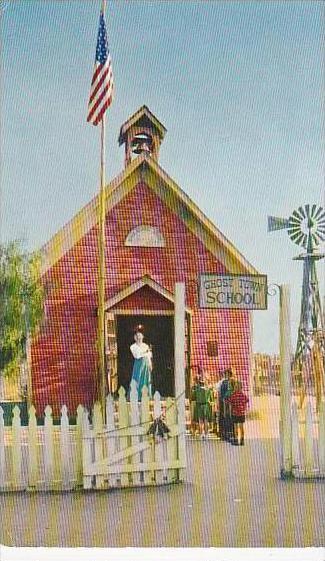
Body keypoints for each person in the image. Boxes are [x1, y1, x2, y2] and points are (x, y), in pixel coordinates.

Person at [130, 325, 152, 400]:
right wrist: (145, 352)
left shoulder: (145, 346)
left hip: (145, 365)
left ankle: (146, 396)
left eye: (140, 335)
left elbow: (149, 355)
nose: (139, 337)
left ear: (143, 336)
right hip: (138, 365)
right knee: (137, 379)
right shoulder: (133, 346)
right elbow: (137, 356)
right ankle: (136, 396)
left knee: (146, 380)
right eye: (137, 335)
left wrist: (150, 364)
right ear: (135, 337)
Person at [225, 380, 249, 445]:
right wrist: (244, 409)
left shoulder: (233, 395)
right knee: (241, 427)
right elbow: (246, 402)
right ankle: (242, 440)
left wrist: (230, 412)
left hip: (235, 413)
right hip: (242, 413)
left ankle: (236, 440)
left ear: (235, 387)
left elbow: (230, 404)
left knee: (235, 427)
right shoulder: (243, 395)